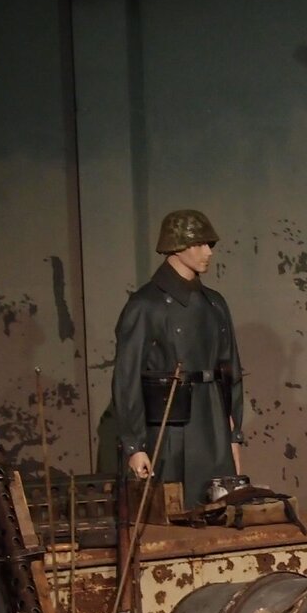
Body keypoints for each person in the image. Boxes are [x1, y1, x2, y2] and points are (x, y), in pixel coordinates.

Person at [97, 209, 244, 502]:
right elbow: (127, 378)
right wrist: (134, 445)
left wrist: (234, 434)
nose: (208, 252)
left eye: (209, 244)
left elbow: (231, 371)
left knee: (220, 509)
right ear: (176, 246)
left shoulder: (215, 303)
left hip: (213, 426)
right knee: (174, 509)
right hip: (170, 429)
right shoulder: (146, 305)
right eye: (199, 244)